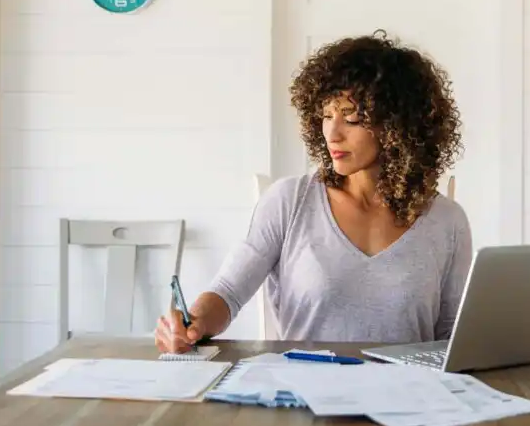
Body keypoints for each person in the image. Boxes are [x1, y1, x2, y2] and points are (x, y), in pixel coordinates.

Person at [155, 31, 473, 354]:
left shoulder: (447, 221)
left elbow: (451, 337)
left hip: (408, 397)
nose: (332, 134)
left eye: (351, 119)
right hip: (303, 393)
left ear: (397, 128)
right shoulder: (289, 201)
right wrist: (191, 323)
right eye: (325, 116)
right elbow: (227, 292)